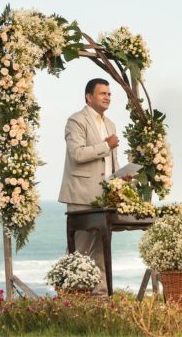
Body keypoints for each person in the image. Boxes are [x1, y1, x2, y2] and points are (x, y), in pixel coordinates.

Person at [58, 78, 120, 295]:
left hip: (105, 200)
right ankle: (69, 297)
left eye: (109, 94)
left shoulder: (110, 124)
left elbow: (111, 162)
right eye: (103, 94)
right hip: (81, 195)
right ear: (89, 97)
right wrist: (106, 145)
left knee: (102, 252)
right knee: (78, 252)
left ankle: (100, 296)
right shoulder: (75, 121)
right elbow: (77, 154)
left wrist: (121, 178)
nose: (108, 97)